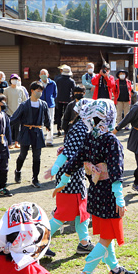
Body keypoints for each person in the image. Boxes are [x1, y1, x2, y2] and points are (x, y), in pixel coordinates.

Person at [71, 100, 137, 274]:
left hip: (95, 190)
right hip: (108, 193)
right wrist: (120, 199)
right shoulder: (110, 140)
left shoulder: (90, 137)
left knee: (106, 236)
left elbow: (78, 160)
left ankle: (115, 270)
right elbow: (116, 173)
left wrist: (63, 175)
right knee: (106, 238)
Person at [49, 98, 95, 256]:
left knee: (82, 212)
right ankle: (38, 241)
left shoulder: (84, 126)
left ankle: (84, 243)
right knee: (62, 215)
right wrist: (54, 169)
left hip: (75, 176)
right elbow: (69, 153)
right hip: (69, 177)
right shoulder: (81, 128)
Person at [11, 81, 51, 188]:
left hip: (38, 132)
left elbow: (47, 118)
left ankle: (35, 178)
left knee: (37, 157)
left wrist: (48, 126)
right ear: (32, 91)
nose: (40, 93)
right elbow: (15, 117)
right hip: (26, 132)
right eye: (38, 91)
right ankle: (18, 171)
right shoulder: (24, 105)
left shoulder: (43, 104)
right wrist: (6, 126)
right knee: (23, 155)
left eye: (41, 91)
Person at [5, 74, 27, 146]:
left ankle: (17, 142)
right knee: (9, 129)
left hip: (18, 112)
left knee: (18, 128)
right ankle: (10, 142)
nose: (14, 80)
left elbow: (24, 100)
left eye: (16, 79)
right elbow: (5, 101)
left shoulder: (21, 90)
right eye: (13, 79)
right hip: (9, 112)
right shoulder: (6, 90)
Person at [55, 65, 76, 137]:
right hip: (68, 99)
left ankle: (58, 129)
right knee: (67, 115)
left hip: (59, 98)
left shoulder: (58, 80)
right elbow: (74, 91)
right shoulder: (71, 81)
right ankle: (65, 130)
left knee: (59, 114)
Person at [38, 69, 57, 146]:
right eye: (41, 74)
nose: (43, 75)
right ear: (39, 75)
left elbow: (55, 94)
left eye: (45, 73)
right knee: (40, 122)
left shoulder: (52, 83)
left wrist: (51, 99)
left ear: (48, 75)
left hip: (50, 105)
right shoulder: (38, 84)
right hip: (40, 105)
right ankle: (40, 140)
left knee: (50, 122)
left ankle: (49, 140)